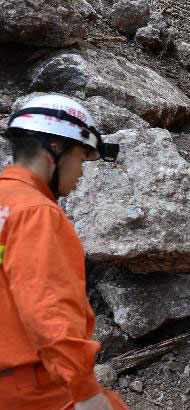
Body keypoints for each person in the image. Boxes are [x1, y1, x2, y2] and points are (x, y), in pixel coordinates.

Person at [0, 94, 127, 410]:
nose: (82, 172)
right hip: (32, 389)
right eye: (82, 158)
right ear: (54, 149)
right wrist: (84, 390)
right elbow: (48, 309)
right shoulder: (37, 213)